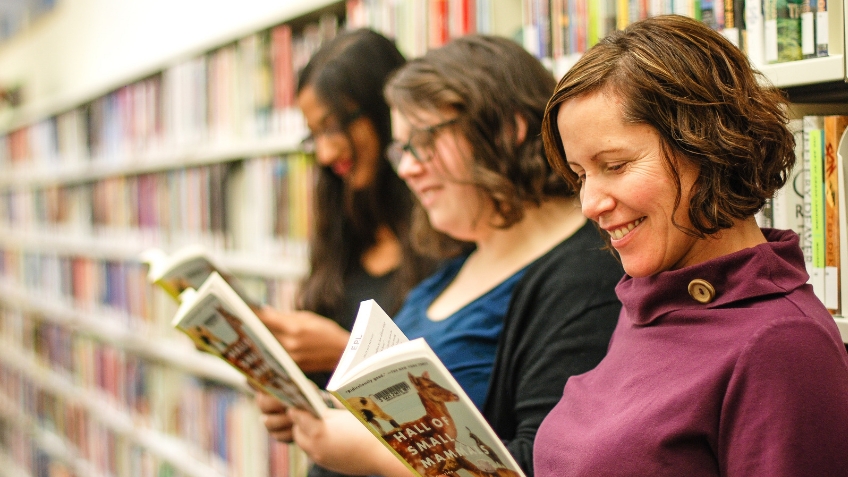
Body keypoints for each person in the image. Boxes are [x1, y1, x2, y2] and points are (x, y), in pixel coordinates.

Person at [276, 34, 623, 476]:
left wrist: (373, 453)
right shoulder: (453, 267)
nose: (407, 167)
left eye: (424, 141)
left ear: (507, 128)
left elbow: (543, 463)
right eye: (401, 149)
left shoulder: (582, 275)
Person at [534, 14, 848, 476]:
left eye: (616, 165)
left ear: (708, 145)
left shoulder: (780, 346)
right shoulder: (652, 294)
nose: (589, 203)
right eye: (581, 175)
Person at [252, 29, 437, 477]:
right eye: (314, 136)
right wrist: (288, 394)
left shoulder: (446, 235)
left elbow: (455, 405)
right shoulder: (343, 227)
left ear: (384, 111)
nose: (325, 153)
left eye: (334, 128)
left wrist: (345, 355)